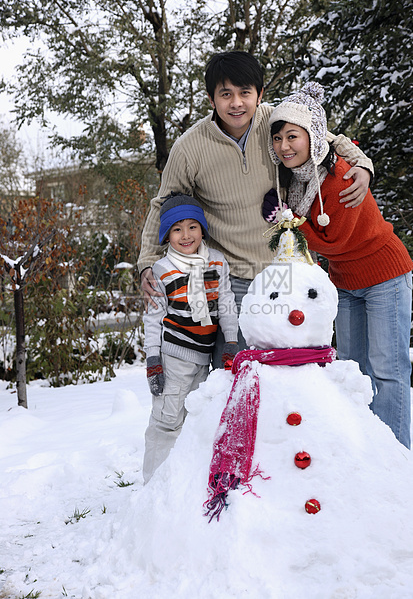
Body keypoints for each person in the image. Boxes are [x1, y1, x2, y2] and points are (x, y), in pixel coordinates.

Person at [138, 51, 374, 364]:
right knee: (237, 368)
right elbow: (164, 203)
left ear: (259, 95)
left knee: (294, 365)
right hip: (232, 275)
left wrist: (362, 164)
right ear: (212, 99)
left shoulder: (277, 121)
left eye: (245, 93)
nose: (236, 103)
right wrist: (147, 262)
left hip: (285, 269)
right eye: (226, 94)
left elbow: (324, 138)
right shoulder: (190, 147)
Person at [262, 81, 413, 448]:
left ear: (312, 137)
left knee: (388, 371)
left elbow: (335, 241)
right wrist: (285, 214)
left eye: (293, 136)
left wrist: (287, 222)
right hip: (345, 281)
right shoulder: (293, 181)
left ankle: (394, 455)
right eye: (278, 138)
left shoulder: (341, 174)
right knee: (350, 368)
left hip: (384, 276)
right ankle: (360, 450)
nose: (284, 146)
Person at [142, 193, 239, 483]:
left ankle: (184, 482)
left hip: (204, 355)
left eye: (192, 226)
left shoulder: (217, 262)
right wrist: (153, 358)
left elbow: (226, 302)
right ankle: (154, 484)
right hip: (173, 356)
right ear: (166, 235)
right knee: (167, 420)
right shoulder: (161, 270)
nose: (186, 235)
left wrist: (231, 341)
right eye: (177, 228)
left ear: (202, 229)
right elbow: (153, 316)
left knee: (196, 418)